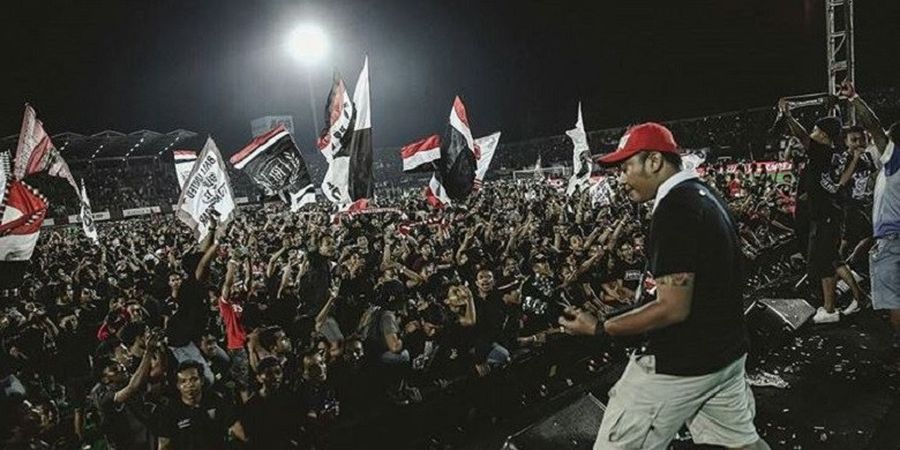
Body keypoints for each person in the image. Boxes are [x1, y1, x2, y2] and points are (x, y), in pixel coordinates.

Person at [560, 122, 769, 450]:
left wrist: (601, 327)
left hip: (681, 364)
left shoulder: (675, 209)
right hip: (725, 354)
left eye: (627, 166)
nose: (621, 178)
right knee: (739, 445)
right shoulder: (705, 195)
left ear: (654, 161)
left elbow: (672, 307)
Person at [842, 81, 900, 368]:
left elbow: (874, 127)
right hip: (890, 236)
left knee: (894, 299)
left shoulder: (896, 160)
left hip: (893, 239)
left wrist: (854, 98)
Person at [778, 99, 846, 323]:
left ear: (825, 136)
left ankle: (829, 308)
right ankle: (853, 295)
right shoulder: (829, 154)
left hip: (824, 216)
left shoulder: (820, 152)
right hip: (827, 213)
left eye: (817, 129)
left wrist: (788, 116)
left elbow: (802, 136)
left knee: (824, 263)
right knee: (829, 260)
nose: (813, 132)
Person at [155, 360, 245, 450]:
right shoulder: (169, 411)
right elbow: (164, 445)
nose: (189, 385)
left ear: (201, 381)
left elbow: (237, 428)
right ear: (178, 385)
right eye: (183, 381)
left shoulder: (216, 400)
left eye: (193, 379)